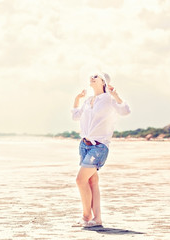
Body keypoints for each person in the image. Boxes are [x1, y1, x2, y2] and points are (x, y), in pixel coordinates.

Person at [71, 72, 131, 227]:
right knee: (92, 181)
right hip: (85, 145)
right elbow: (75, 116)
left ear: (104, 81)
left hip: (99, 146)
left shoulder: (109, 100)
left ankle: (86, 216)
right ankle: (96, 219)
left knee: (80, 180)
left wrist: (116, 96)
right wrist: (77, 100)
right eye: (91, 75)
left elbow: (125, 111)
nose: (92, 77)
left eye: (96, 76)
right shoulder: (89, 100)